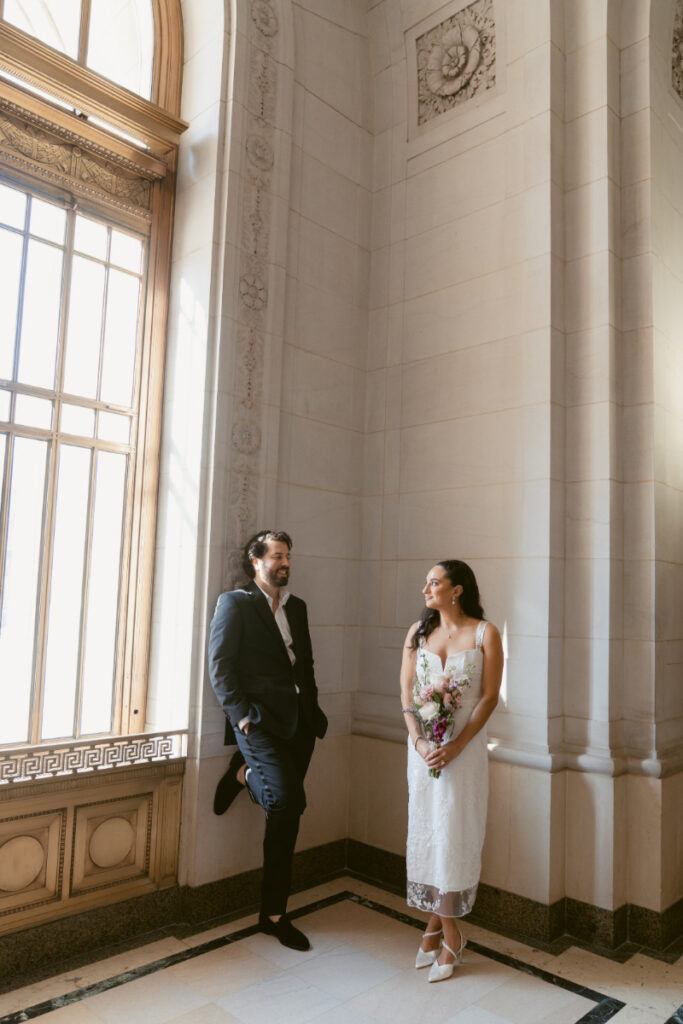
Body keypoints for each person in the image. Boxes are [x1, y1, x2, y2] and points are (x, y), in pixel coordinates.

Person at [208, 529, 327, 951]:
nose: (285, 563)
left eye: (288, 556)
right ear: (255, 561)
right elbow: (220, 667)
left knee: (287, 812)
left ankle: (242, 776)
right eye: (277, 555)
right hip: (259, 725)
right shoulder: (234, 604)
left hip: (301, 723)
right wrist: (241, 719)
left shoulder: (298, 607)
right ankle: (274, 914)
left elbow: (305, 663)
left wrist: (313, 710)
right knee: (287, 802)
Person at [399, 560, 503, 982]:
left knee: (454, 835)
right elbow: (405, 694)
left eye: (434, 582)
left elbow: (489, 698)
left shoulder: (485, 633)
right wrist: (420, 741)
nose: (425, 588)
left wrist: (456, 746)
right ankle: (447, 931)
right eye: (425, 582)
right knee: (428, 833)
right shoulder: (417, 632)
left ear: (456, 590)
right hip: (423, 755)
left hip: (464, 755)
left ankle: (442, 932)